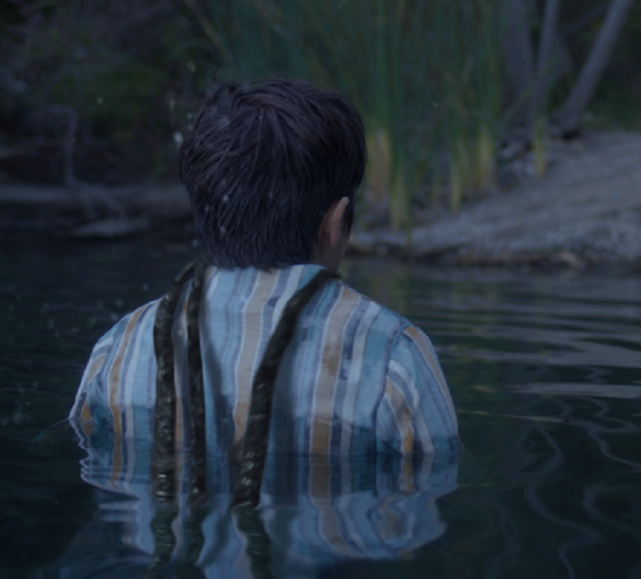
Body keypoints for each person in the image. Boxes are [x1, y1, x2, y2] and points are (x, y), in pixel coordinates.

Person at [68, 79, 460, 508]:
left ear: (206, 211)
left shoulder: (120, 346)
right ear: (335, 222)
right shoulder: (393, 358)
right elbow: (423, 506)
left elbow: (96, 469)